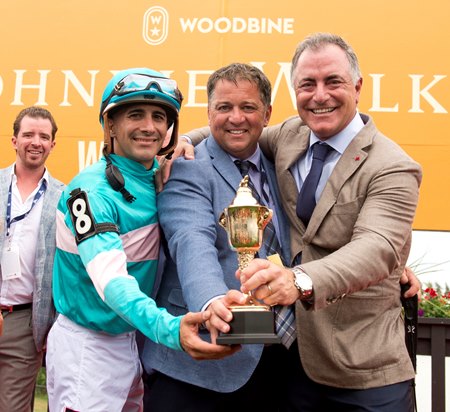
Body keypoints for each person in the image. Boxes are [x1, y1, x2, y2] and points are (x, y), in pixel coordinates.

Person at [183, 33, 422, 411]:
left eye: (333, 82)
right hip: (292, 369)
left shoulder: (393, 166)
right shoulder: (292, 135)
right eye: (307, 84)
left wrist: (299, 280)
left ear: (358, 87)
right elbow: (237, 130)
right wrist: (183, 140)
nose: (320, 95)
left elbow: (377, 247)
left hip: (364, 370)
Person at [45, 68, 237, 412]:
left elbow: (229, 130)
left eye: (159, 117)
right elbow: (114, 283)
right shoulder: (87, 192)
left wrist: (189, 139)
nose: (149, 126)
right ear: (111, 125)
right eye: (135, 114)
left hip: (133, 341)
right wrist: (170, 329)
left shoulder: (159, 175)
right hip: (89, 348)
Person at [141, 63, 292, 411]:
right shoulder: (187, 166)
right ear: (209, 113)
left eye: (248, 107)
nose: (235, 118)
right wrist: (212, 303)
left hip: (277, 366)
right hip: (194, 368)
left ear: (267, 114)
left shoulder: (282, 164)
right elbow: (190, 238)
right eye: (224, 107)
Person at [0, 106, 65, 412]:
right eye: (28, 134)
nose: (35, 142)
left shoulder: (64, 197)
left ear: (53, 143)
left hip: (25, 322)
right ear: (14, 140)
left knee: (13, 407)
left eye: (43, 136)